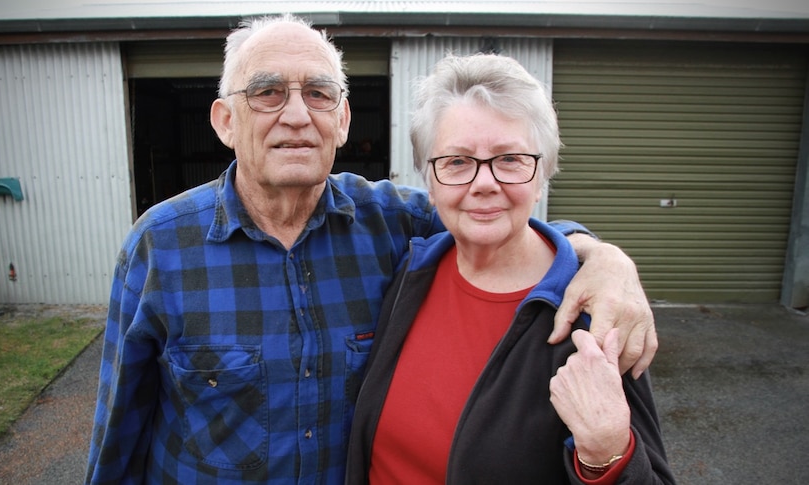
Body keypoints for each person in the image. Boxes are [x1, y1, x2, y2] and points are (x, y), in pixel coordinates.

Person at [86, 14, 658, 484]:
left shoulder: (393, 224)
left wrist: (603, 257)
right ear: (225, 121)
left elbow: (494, 208)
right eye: (266, 92)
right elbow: (120, 434)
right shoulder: (161, 246)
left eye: (318, 93)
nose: (296, 114)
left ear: (342, 119)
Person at [345, 53, 674, 484]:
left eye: (510, 159)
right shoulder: (411, 271)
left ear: (543, 174)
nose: (484, 183)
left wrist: (607, 455)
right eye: (457, 161)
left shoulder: (591, 315)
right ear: (429, 178)